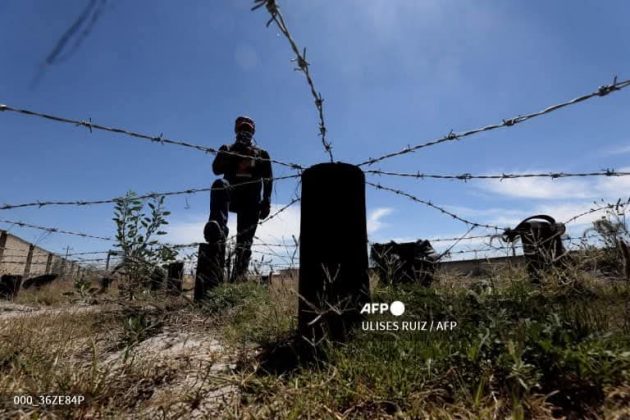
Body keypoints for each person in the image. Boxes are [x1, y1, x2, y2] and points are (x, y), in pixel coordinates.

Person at [204, 116, 273, 282]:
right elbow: (216, 170)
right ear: (236, 130)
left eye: (248, 130)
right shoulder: (227, 148)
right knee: (219, 184)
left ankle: (238, 280)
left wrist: (267, 200)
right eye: (242, 129)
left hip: (251, 201)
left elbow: (268, 178)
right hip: (231, 194)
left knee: (244, 243)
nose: (245, 132)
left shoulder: (261, 153)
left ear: (253, 131)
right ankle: (218, 229)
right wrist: (233, 153)